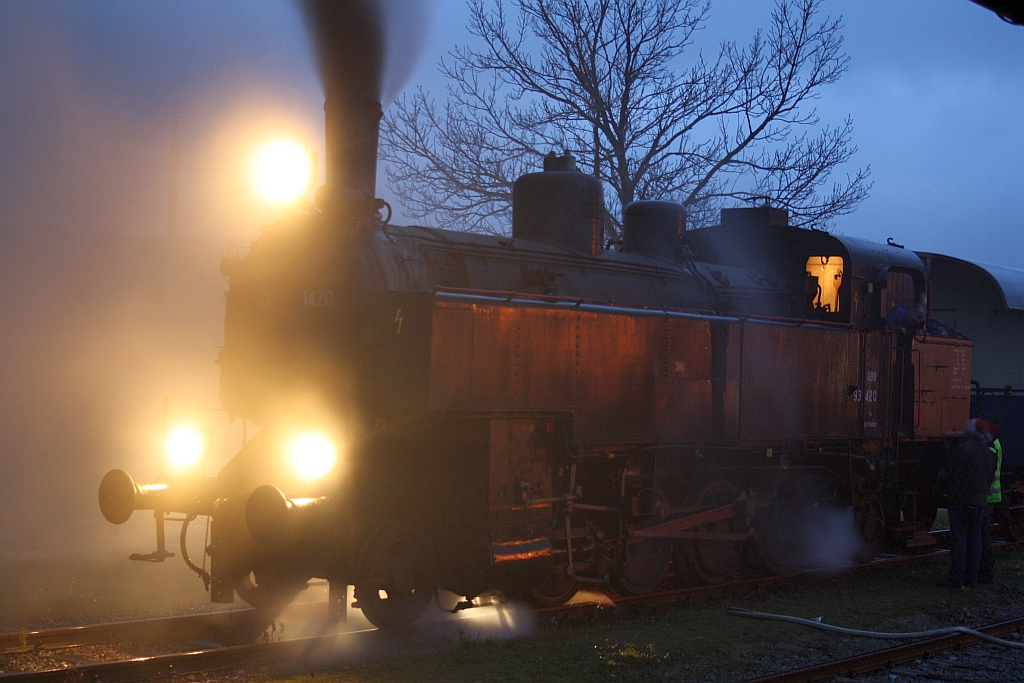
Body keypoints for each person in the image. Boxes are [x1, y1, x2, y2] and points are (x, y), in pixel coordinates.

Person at [941, 419, 999, 589]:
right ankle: (972, 578)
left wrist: (952, 495)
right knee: (976, 539)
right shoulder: (990, 453)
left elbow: (956, 477)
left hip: (962, 502)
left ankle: (957, 577)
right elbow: (989, 478)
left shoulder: (963, 450)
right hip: (980, 502)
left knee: (959, 539)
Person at [979, 419, 1003, 584]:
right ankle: (986, 567)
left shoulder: (991, 448)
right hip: (991, 495)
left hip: (987, 496)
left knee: (983, 534)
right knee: (983, 533)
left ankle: (986, 570)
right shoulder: (996, 445)